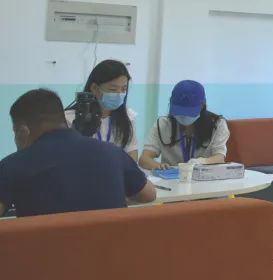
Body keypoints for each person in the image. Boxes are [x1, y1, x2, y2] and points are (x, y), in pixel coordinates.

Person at [0, 89, 155, 217]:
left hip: (46, 246)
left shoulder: (12, 165)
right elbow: (149, 195)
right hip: (111, 245)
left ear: (23, 131)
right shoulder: (112, 153)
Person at [139, 80, 229, 170]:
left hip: (204, 176)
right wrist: (158, 166)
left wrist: (202, 162)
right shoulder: (162, 125)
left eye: (189, 112)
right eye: (179, 112)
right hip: (171, 177)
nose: (184, 116)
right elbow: (144, 159)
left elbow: (219, 158)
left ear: (202, 105)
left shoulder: (217, 124)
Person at [65, 59, 139, 160]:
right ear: (94, 88)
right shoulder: (70, 119)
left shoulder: (128, 117)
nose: (119, 94)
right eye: (113, 89)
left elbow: (132, 153)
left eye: (123, 89)